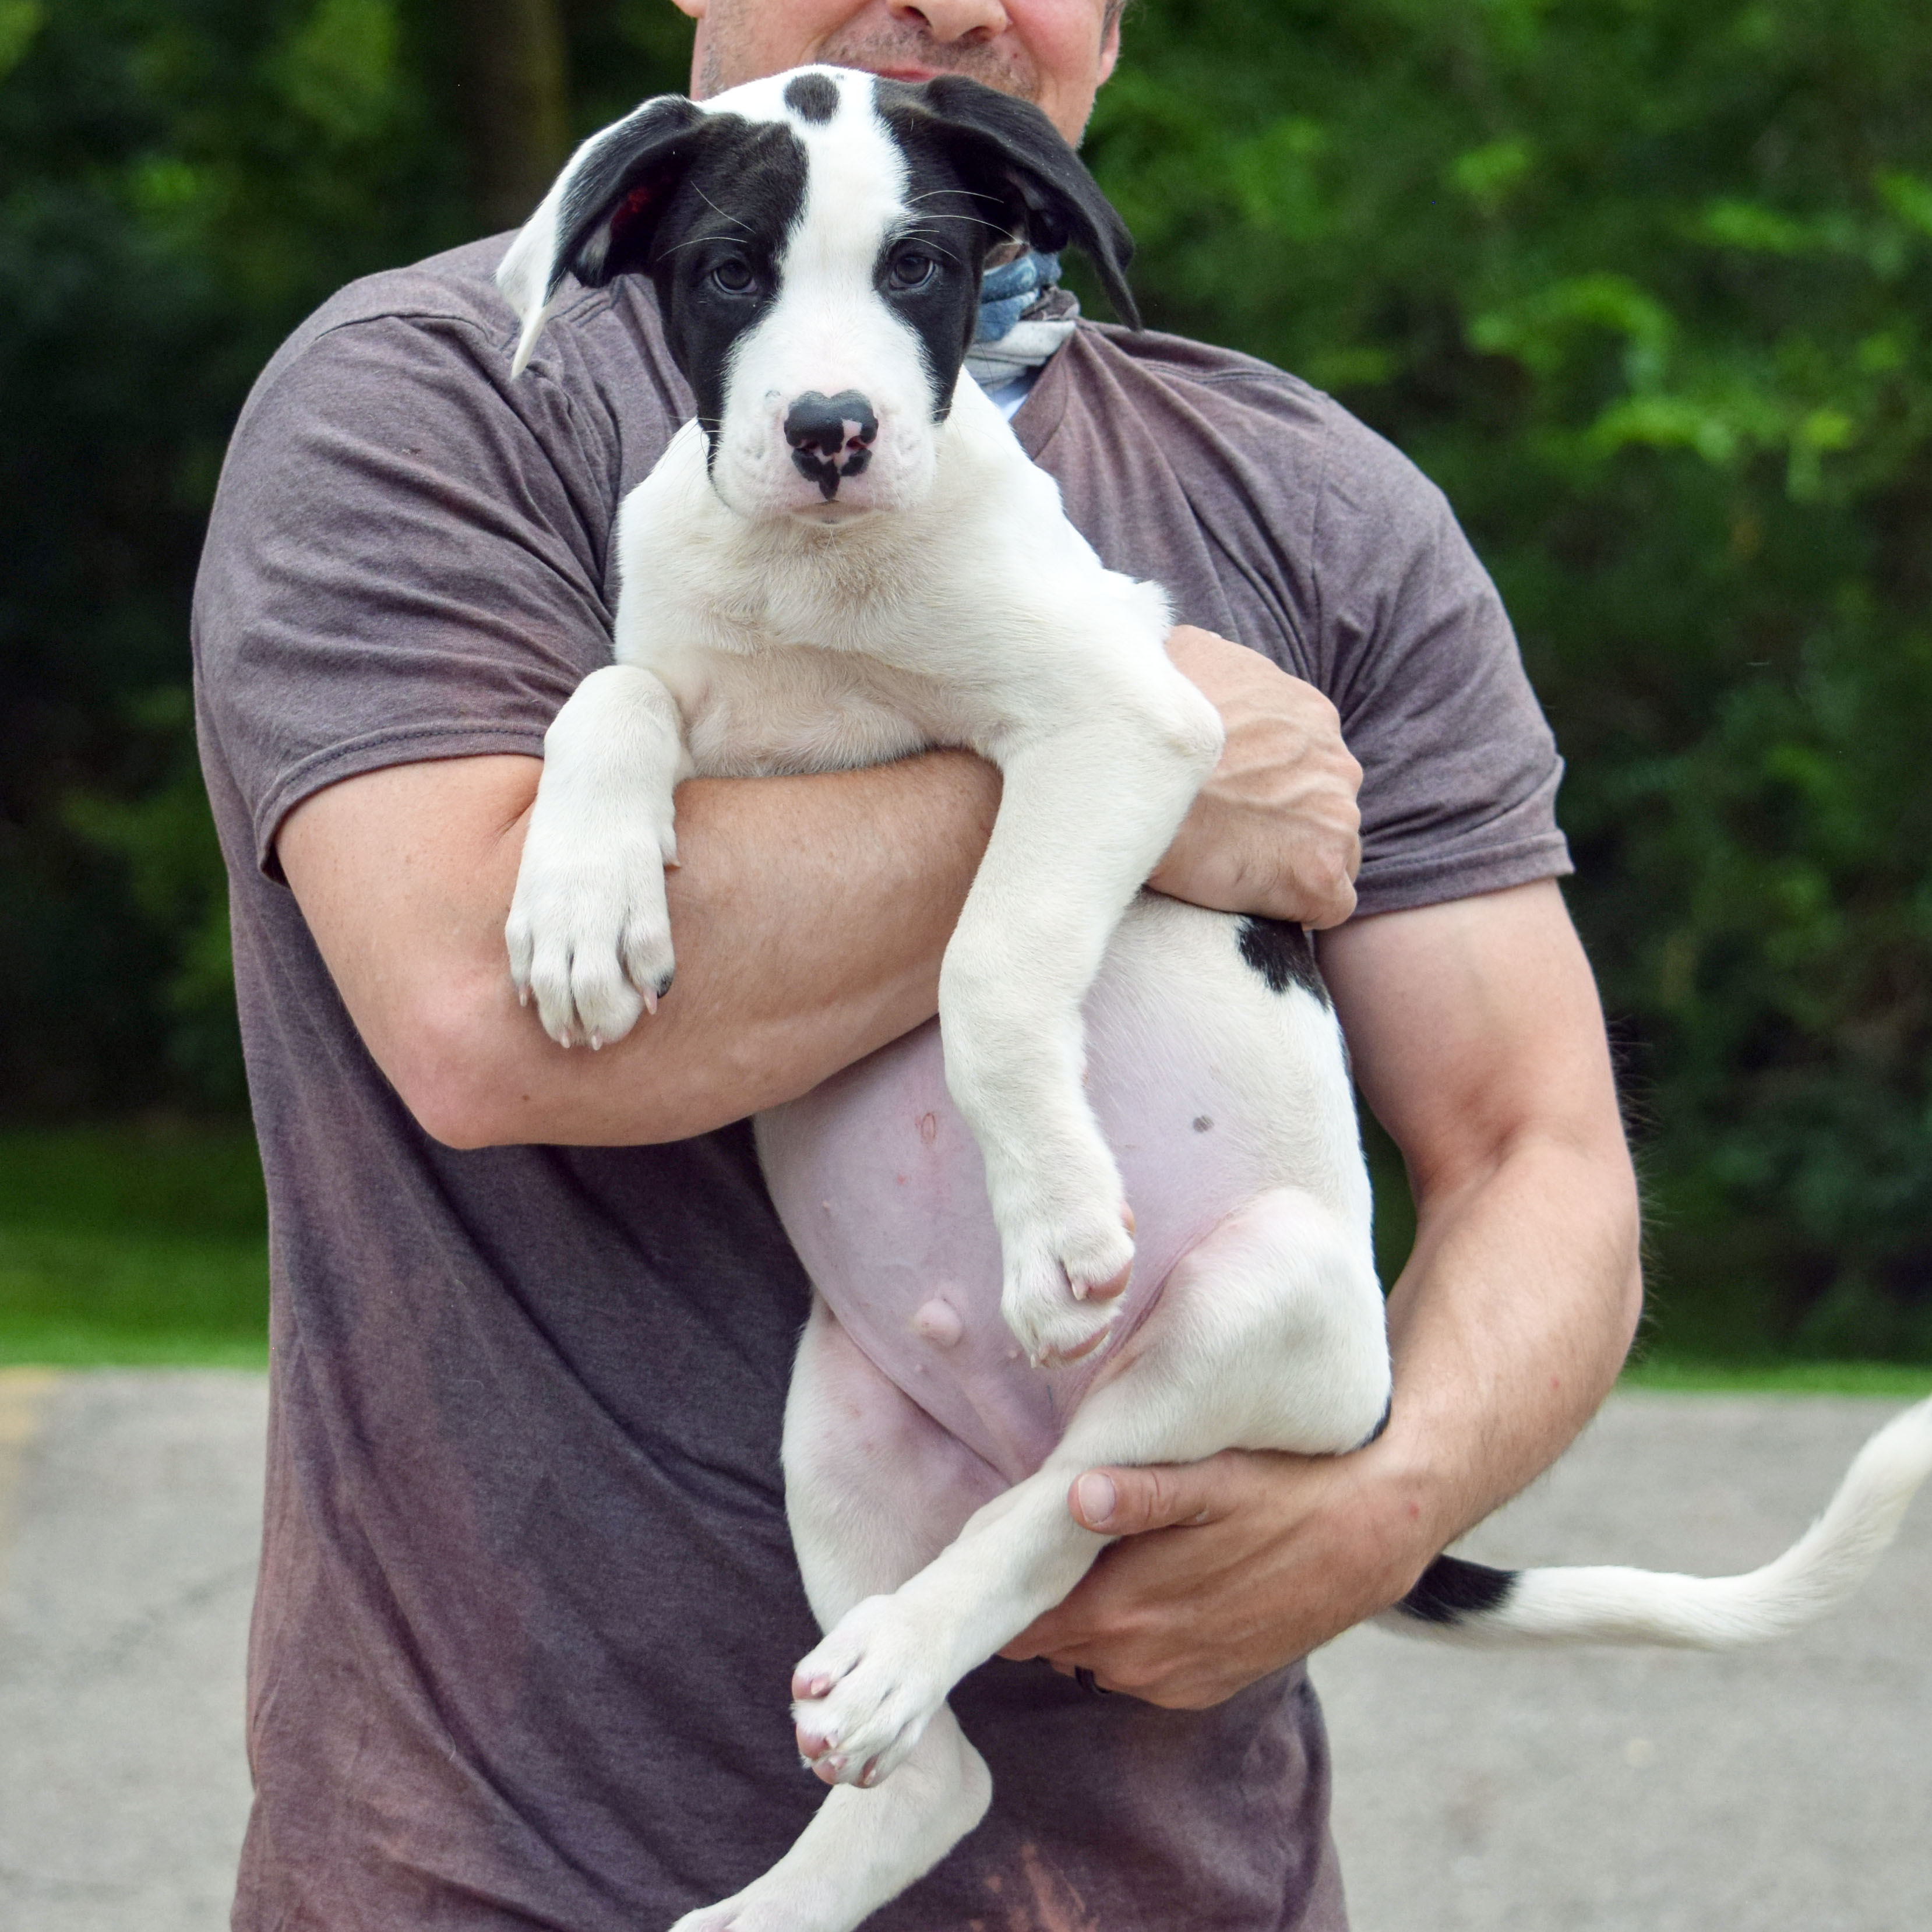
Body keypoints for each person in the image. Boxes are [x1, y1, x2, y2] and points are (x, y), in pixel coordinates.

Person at [192, 1, 1642, 1926]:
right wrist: (1145, 768)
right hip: (516, 1859)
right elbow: (488, 1014)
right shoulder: (440, 393)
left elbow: (1537, 1146)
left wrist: (1390, 1503)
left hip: (1166, 1875)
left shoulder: (1317, 499)